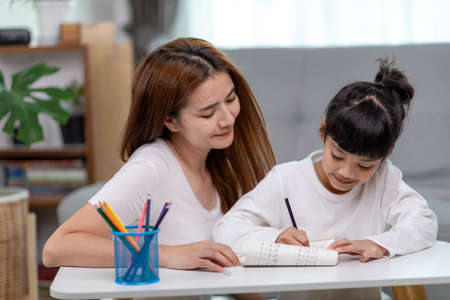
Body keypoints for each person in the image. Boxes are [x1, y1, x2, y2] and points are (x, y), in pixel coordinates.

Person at [43, 37, 276, 278]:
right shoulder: (150, 167)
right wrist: (167, 254)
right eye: (208, 114)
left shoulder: (216, 160)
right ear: (170, 121)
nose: (227, 118)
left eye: (230, 99)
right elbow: (56, 248)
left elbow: (224, 266)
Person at [212, 59, 437, 300]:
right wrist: (274, 238)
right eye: (338, 156)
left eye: (365, 165)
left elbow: (424, 223)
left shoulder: (384, 179)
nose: (347, 173)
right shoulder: (286, 179)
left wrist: (380, 244)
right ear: (323, 132)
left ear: (387, 153)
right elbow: (225, 229)